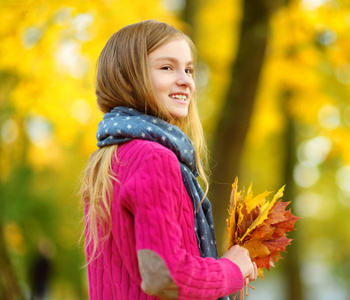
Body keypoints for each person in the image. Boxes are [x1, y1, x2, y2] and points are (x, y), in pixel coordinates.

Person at [80, 20, 257, 300]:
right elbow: (165, 276)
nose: (187, 80)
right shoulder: (153, 158)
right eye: (167, 67)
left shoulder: (111, 158)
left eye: (188, 69)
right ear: (128, 79)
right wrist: (231, 269)